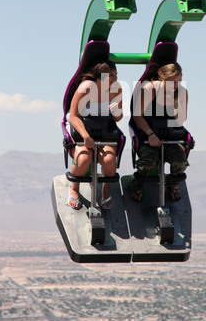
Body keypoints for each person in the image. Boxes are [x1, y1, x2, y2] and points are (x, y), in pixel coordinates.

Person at [128, 62, 189, 202]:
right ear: (162, 78)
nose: (175, 84)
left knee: (180, 161)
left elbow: (180, 121)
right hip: (146, 131)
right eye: (171, 81)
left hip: (168, 133)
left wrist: (176, 105)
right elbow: (137, 116)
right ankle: (137, 185)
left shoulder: (182, 92)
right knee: (149, 162)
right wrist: (150, 133)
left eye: (178, 81)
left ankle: (173, 185)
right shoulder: (151, 89)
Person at [68, 61, 123, 210]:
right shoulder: (86, 87)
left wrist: (117, 111)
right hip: (83, 130)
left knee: (110, 162)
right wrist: (86, 136)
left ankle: (104, 190)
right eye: (110, 77)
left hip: (104, 129)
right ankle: (74, 188)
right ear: (99, 77)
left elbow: (119, 118)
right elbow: (73, 116)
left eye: (115, 76)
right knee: (84, 159)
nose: (114, 80)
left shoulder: (116, 89)